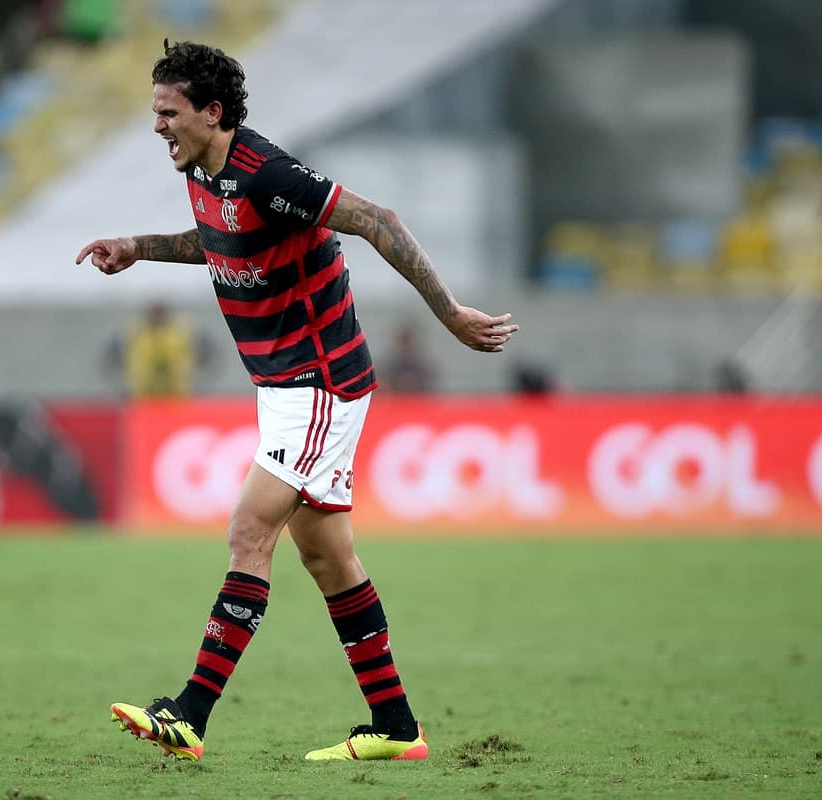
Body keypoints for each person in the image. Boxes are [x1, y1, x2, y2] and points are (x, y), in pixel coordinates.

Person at [75, 40, 518, 762]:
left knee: (250, 534)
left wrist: (449, 315)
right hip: (285, 388)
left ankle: (190, 713)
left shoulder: (269, 173)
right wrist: (138, 246)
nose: (156, 126)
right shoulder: (201, 169)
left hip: (319, 381)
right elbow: (221, 240)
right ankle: (396, 728)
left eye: (168, 112)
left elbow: (380, 220)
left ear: (212, 112)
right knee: (328, 558)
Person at [104, 301, 213, 397]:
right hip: (142, 398)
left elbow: (208, 356)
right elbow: (110, 359)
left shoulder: (183, 330)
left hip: (178, 398)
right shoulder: (133, 331)